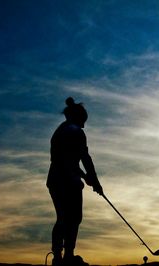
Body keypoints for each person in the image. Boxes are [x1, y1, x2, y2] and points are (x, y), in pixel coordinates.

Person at [47, 97, 103, 266]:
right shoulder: (76, 132)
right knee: (74, 218)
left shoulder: (59, 131)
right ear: (78, 118)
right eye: (83, 121)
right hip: (67, 181)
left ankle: (58, 256)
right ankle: (68, 256)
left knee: (63, 218)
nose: (84, 125)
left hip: (55, 179)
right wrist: (94, 179)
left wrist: (86, 177)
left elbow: (65, 160)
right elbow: (84, 158)